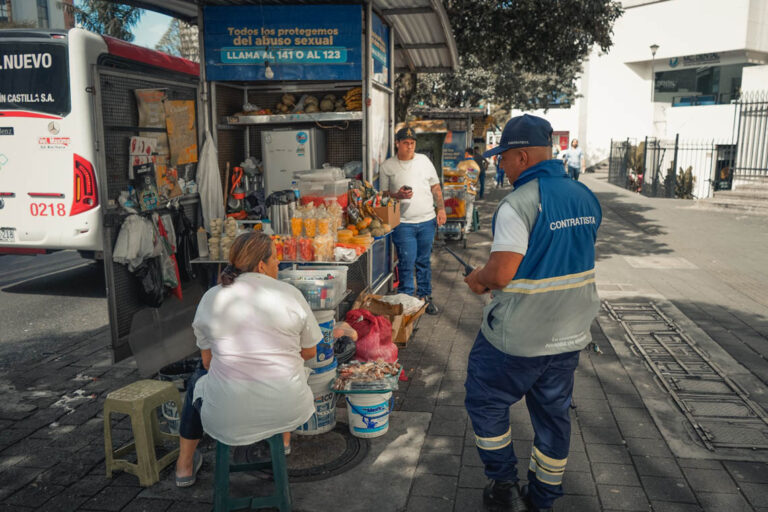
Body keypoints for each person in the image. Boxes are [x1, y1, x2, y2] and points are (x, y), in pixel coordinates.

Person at [463, 114, 602, 512]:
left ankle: (504, 485)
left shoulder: (518, 204)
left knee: (486, 400)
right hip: (569, 334)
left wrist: (478, 278)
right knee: (553, 416)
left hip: (518, 339)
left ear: (522, 156)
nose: (499, 165)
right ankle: (543, 497)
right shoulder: (584, 196)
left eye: (503, 157)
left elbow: (502, 273)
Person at [174, 232, 321, 487]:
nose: (279, 263)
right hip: (288, 406)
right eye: (275, 258)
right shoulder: (290, 294)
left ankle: (184, 466)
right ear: (261, 265)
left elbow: (208, 362)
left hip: (226, 414)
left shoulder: (212, 297)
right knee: (290, 369)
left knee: (199, 377)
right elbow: (310, 352)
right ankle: (284, 442)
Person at [380, 127, 446, 315]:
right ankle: (407, 300)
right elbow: (383, 196)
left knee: (424, 261)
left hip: (427, 220)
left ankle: (425, 297)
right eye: (406, 143)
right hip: (403, 223)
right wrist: (397, 195)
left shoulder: (424, 161)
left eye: (412, 143)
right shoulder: (387, 166)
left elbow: (435, 186)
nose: (410, 147)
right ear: (397, 144)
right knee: (406, 262)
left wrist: (440, 208)